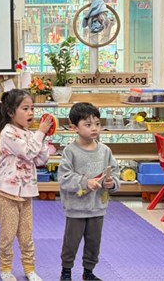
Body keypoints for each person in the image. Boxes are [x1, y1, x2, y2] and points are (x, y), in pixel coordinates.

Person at [0, 89, 53, 281]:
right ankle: (5, 269)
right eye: (25, 108)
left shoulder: (30, 134)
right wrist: (40, 133)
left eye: (32, 108)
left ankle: (29, 268)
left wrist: (43, 137)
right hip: (7, 194)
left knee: (27, 236)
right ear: (11, 112)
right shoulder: (8, 132)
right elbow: (28, 153)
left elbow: (40, 159)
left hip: (26, 193)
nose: (31, 113)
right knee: (7, 236)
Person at [58, 102, 120, 281]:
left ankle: (88, 272)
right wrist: (85, 182)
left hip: (98, 207)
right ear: (74, 128)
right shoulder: (70, 152)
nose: (94, 128)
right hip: (76, 208)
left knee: (94, 243)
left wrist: (111, 183)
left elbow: (115, 173)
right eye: (88, 124)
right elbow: (64, 177)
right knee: (71, 242)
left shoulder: (105, 151)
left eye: (97, 124)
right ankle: (66, 272)